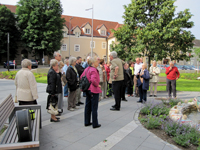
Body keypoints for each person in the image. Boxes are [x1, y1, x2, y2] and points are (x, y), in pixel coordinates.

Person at [80, 57, 102, 128]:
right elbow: (93, 80)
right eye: (96, 61)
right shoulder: (93, 70)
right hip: (93, 90)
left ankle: (87, 121)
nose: (97, 62)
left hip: (87, 89)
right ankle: (95, 123)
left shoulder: (86, 69)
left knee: (88, 106)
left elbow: (81, 77)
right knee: (94, 107)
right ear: (93, 63)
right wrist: (97, 85)